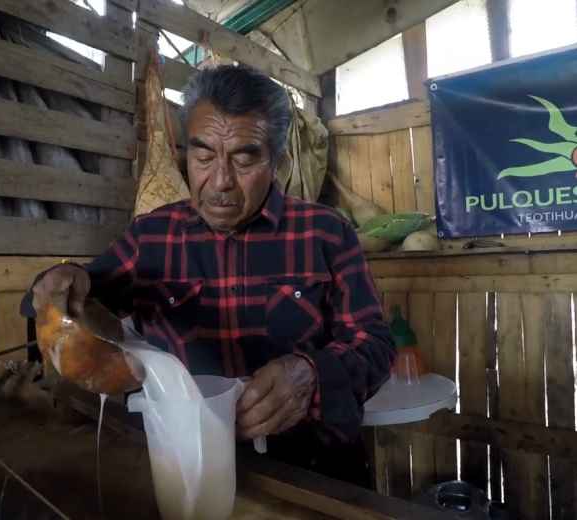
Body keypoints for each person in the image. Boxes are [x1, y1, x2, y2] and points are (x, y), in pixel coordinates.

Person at [22, 65, 395, 486]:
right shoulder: (152, 236)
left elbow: (376, 344)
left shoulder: (325, 232)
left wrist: (310, 375)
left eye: (244, 160)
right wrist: (62, 279)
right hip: (186, 467)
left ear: (279, 162)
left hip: (313, 472)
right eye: (203, 157)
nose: (219, 182)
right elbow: (77, 293)